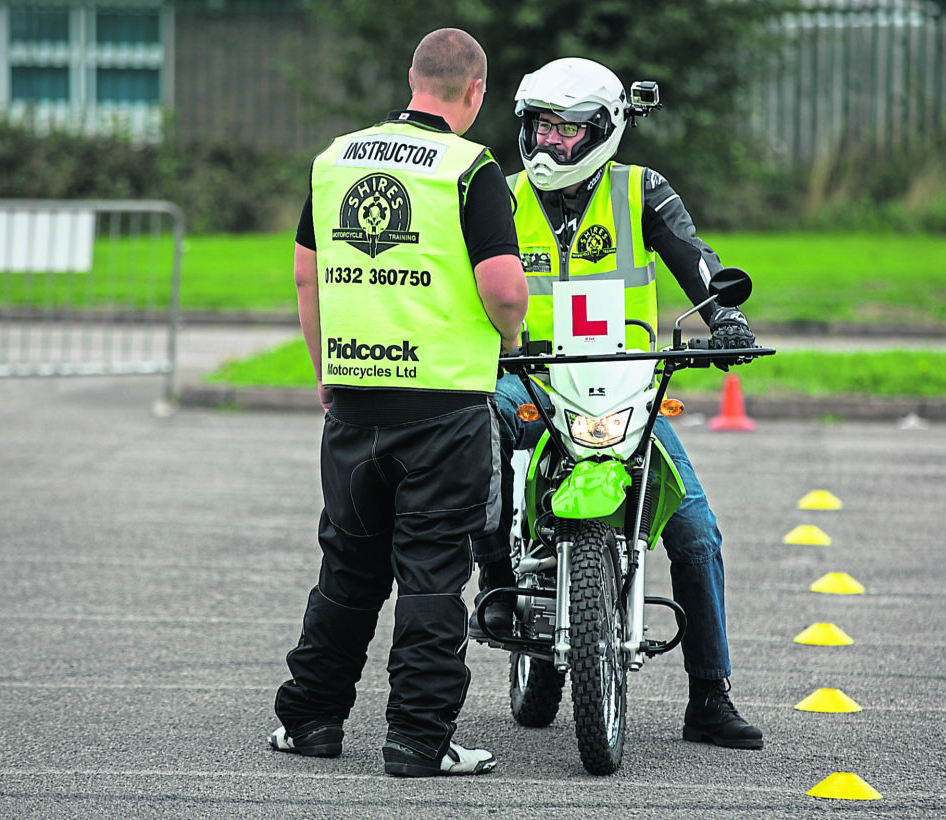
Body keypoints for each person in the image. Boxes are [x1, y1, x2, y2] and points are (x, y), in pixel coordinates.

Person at [469, 57, 764, 750]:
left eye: (567, 131)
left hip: (625, 386)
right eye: (540, 127)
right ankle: (498, 571)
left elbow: (695, 258)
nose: (549, 144)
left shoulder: (641, 190)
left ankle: (710, 696)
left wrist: (724, 316)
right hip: (530, 378)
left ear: (604, 129)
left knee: (696, 532)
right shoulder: (499, 197)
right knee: (477, 419)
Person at [269, 28, 528, 777]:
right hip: (442, 406)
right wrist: (510, 338)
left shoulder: (335, 159)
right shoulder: (469, 168)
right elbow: (504, 287)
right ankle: (418, 738)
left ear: (411, 78)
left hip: (352, 399)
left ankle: (311, 720)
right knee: (430, 575)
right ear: (474, 91)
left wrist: (325, 371)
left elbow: (305, 275)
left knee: (348, 569)